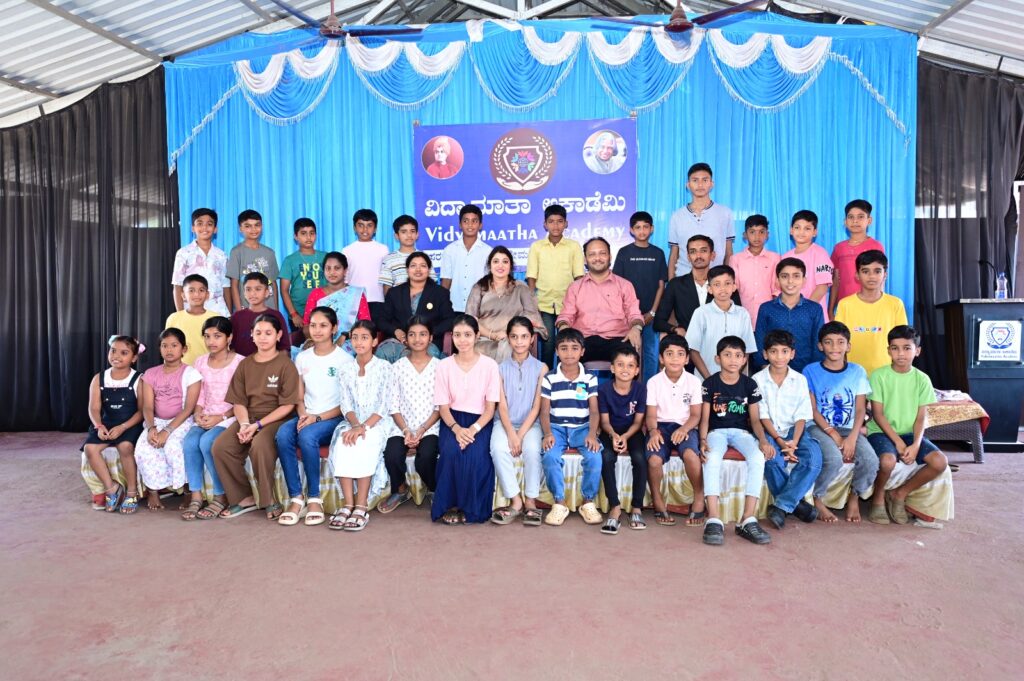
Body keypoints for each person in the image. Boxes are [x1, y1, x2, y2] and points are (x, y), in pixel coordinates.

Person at [212, 314, 300, 519]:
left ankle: (270, 500)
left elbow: (288, 405)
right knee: (221, 447)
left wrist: (258, 425)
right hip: (248, 418)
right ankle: (244, 498)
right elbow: (238, 401)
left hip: (277, 419)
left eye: (268, 333)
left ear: (279, 335)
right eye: (258, 332)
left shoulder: (286, 364)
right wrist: (244, 424)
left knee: (260, 445)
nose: (263, 337)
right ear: (251, 334)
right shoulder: (245, 364)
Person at [275, 307, 352, 527]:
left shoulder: (345, 360)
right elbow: (299, 396)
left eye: (323, 325)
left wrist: (316, 418)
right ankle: (296, 498)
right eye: (313, 325)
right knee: (283, 434)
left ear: (334, 328)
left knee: (307, 436)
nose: (317, 330)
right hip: (306, 415)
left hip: (333, 418)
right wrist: (303, 415)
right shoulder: (302, 357)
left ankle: (315, 499)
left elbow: (345, 404)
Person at [866, 326, 947, 525]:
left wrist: (916, 444)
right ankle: (878, 497)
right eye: (895, 348)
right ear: (888, 350)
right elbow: (878, 415)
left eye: (907, 348)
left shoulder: (922, 379)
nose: (900, 353)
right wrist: (898, 442)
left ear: (917, 351)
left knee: (940, 462)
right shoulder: (879, 376)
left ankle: (899, 494)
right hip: (881, 432)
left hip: (910, 433)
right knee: (887, 461)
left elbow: (921, 418)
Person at [699, 336, 772, 546]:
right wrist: (702, 440)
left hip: (742, 432)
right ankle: (714, 518)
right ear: (717, 358)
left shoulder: (749, 384)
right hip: (716, 432)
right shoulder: (710, 383)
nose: (733, 360)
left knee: (757, 458)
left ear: (744, 359)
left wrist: (763, 440)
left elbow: (755, 420)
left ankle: (747, 519)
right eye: (727, 355)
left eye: (738, 355)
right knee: (712, 457)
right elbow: (704, 419)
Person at [803, 321, 879, 523]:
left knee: (870, 460)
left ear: (848, 346)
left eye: (840, 342)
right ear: (820, 346)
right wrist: (832, 433)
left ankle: (854, 496)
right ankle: (817, 498)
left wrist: (852, 437)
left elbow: (861, 409)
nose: (834, 347)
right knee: (833, 459)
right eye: (828, 342)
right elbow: (812, 409)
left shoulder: (857, 371)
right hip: (818, 426)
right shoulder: (810, 371)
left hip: (849, 428)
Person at [432, 315, 502, 525]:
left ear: (477, 336)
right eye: (457, 335)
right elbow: (443, 406)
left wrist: (472, 429)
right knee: (451, 452)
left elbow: (490, 408)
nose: (462, 340)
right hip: (452, 420)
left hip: (480, 422)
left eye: (467, 335)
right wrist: (456, 429)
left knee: (476, 456)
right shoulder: (444, 366)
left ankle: (472, 507)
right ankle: (450, 505)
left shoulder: (490, 366)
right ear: (451, 337)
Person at [752, 330, 823, 530]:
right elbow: (762, 415)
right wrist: (778, 440)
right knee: (771, 459)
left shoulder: (799, 379)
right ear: (765, 354)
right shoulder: (757, 380)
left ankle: (782, 506)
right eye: (773, 351)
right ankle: (797, 505)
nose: (779, 357)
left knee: (814, 458)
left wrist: (794, 442)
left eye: (784, 351)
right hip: (769, 430)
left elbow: (802, 415)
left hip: (794, 431)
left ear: (792, 354)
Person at [327, 320, 392, 532]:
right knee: (344, 441)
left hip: (378, 422)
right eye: (355, 337)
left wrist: (363, 427)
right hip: (353, 421)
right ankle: (348, 504)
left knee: (364, 441)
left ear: (374, 341)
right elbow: (345, 404)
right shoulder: (346, 369)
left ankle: (361, 506)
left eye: (364, 337)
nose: (359, 342)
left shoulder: (384, 368)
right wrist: (355, 425)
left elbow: (384, 405)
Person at [181, 317, 244, 521]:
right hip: (205, 415)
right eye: (207, 336)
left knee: (208, 442)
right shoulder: (200, 362)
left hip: (229, 416)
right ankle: (196, 495)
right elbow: (199, 393)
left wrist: (221, 417)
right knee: (190, 442)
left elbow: (242, 400)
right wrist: (197, 413)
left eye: (217, 336)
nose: (211, 341)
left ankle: (220, 495)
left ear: (229, 338)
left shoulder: (240, 362)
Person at [540, 328, 604, 527]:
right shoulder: (550, 378)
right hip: (557, 428)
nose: (569, 353)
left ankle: (588, 501)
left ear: (582, 351)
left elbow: (594, 411)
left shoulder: (589, 378)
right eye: (564, 348)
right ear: (556, 351)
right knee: (550, 456)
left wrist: (592, 434)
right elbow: (544, 411)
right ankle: (559, 502)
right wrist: (548, 433)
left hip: (582, 427)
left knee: (594, 456)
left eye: (574, 348)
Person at [378, 316, 441, 514]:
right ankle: (400, 489)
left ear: (431, 337)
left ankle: (434, 489)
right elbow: (393, 405)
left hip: (430, 426)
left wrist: (421, 430)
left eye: (423, 334)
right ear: (405, 338)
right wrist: (406, 430)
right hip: (401, 426)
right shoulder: (397, 367)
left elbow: (440, 407)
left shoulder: (440, 367)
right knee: (392, 455)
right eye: (412, 334)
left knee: (426, 457)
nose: (417, 339)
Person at [134, 328, 202, 511]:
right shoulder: (150, 374)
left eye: (174, 345)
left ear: (184, 349)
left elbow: (188, 408)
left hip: (181, 422)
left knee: (174, 447)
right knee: (143, 449)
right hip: (156, 421)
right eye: (164, 346)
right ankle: (153, 491)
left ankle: (187, 491)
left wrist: (167, 431)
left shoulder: (191, 374)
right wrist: (151, 428)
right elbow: (148, 407)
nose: (169, 350)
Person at [489, 317, 548, 526]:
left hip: (531, 424)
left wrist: (520, 435)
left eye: (524, 337)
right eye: (514, 337)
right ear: (508, 338)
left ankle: (530, 500)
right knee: (498, 449)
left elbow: (536, 407)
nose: (519, 342)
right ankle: (515, 500)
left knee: (532, 449)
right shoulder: (499, 368)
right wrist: (511, 434)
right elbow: (502, 406)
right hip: (504, 423)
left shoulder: (541, 368)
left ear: (532, 339)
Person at [644, 335, 704, 527]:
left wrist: (684, 429)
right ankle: (657, 499)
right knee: (654, 460)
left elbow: (696, 415)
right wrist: (653, 431)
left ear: (687, 359)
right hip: (660, 427)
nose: (675, 359)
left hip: (686, 426)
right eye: (669, 354)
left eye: (680, 354)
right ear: (661, 358)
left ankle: (699, 496)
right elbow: (651, 415)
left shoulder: (694, 381)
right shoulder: (654, 382)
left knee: (691, 455)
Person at [81, 335, 144, 514]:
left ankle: (131, 491)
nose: (116, 356)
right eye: (113, 351)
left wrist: (123, 427)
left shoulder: (139, 379)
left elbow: (142, 411)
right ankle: (111, 489)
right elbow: (94, 408)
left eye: (124, 353)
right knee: (90, 449)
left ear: (134, 358)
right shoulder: (99, 378)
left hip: (130, 424)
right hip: (106, 423)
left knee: (125, 446)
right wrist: (99, 426)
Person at [556, 237, 644, 363]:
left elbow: (634, 314)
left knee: (628, 360)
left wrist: (636, 327)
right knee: (568, 354)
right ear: (585, 259)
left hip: (618, 339)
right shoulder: (575, 287)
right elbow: (566, 315)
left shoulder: (625, 285)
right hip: (583, 340)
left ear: (610, 256)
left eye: (602, 253)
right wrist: (564, 326)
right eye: (592, 254)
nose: (597, 258)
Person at [594, 346, 647, 534]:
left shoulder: (641, 389)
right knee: (607, 457)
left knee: (640, 458)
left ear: (637, 370)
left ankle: (637, 507)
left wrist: (625, 436)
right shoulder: (604, 390)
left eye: (630, 365)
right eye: (620, 364)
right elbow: (604, 422)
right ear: (612, 368)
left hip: (632, 431)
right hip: (610, 431)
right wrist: (614, 435)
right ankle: (615, 507)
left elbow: (638, 422)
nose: (625, 369)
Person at [465, 246, 547, 363]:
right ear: (490, 266)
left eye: (505, 262)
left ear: (511, 266)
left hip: (512, 339)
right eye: (496, 261)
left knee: (510, 347)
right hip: (483, 338)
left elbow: (531, 316)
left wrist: (511, 333)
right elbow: (470, 320)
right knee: (472, 349)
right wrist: (492, 335)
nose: (500, 265)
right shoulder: (479, 287)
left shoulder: (521, 288)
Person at [613, 211, 668, 383]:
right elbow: (617, 285)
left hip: (651, 315)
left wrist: (652, 312)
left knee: (651, 353)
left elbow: (661, 286)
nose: (642, 231)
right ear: (631, 230)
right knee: (628, 354)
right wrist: (627, 313)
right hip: (628, 315)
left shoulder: (658, 253)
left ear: (652, 229)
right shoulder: (624, 252)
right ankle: (629, 389)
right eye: (638, 227)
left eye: (645, 227)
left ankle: (649, 390)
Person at [526, 204, 585, 364]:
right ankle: (546, 375)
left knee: (566, 344)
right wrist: (532, 304)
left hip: (568, 305)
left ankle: (564, 375)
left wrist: (579, 302)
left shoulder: (573, 246)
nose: (555, 225)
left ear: (566, 223)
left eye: (560, 221)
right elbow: (531, 277)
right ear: (545, 224)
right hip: (544, 304)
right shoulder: (537, 247)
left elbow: (579, 277)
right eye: (551, 221)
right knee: (548, 344)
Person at [834, 250, 907, 376]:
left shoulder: (895, 304)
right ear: (857, 275)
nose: (871, 276)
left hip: (886, 374)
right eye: (865, 271)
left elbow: (903, 340)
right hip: (852, 374)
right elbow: (838, 341)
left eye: (877, 271)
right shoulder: (845, 304)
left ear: (885, 275)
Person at [654, 235, 740, 341]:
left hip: (721, 344)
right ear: (688, 257)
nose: (698, 256)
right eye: (693, 251)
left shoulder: (725, 284)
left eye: (703, 251)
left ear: (712, 255)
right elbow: (658, 322)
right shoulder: (676, 285)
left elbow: (738, 316)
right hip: (688, 344)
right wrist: (675, 329)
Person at [377, 251, 454, 363]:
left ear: (428, 270)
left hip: (427, 342)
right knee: (385, 352)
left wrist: (429, 333)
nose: (418, 270)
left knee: (428, 354)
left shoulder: (440, 293)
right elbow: (381, 320)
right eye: (413, 266)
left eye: (423, 266)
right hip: (399, 340)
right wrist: (396, 331)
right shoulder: (394, 293)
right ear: (407, 270)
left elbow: (450, 320)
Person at [753, 258, 824, 372]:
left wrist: (813, 371)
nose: (790, 281)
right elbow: (760, 340)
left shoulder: (814, 309)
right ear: (777, 280)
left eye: (796, 276)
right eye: (784, 276)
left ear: (804, 280)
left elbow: (818, 342)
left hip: (806, 371)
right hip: (773, 370)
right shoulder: (766, 308)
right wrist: (765, 369)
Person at [685, 265, 756, 379]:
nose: (723, 289)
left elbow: (747, 349)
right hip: (705, 379)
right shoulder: (701, 313)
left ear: (734, 286)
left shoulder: (743, 314)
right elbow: (693, 349)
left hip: (734, 380)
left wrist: (733, 375)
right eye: (717, 284)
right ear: (709, 289)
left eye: (727, 283)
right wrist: (709, 379)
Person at [667, 163, 734, 277]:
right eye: (695, 180)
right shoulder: (677, 216)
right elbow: (674, 255)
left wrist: (726, 280)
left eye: (705, 180)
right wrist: (671, 284)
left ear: (711, 184)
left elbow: (728, 253)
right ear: (688, 185)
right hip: (684, 279)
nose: (700, 184)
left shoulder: (725, 213)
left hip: (715, 281)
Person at [301, 252, 371, 346]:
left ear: (345, 271)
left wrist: (345, 336)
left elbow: (366, 325)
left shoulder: (356, 294)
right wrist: (312, 341)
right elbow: (306, 325)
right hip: (319, 343)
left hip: (349, 343)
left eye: (337, 268)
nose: (332, 272)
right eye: (328, 268)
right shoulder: (315, 294)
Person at [830, 199, 885, 317]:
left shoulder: (876, 246)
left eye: (860, 217)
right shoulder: (839, 248)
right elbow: (835, 281)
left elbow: (880, 280)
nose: (855, 221)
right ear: (845, 221)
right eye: (851, 217)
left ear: (869, 220)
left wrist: (879, 306)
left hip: (870, 306)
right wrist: (830, 310)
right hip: (844, 307)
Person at [172, 207, 230, 316]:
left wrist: (229, 314)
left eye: (209, 224)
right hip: (191, 312)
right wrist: (181, 316)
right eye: (199, 223)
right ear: (193, 228)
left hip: (218, 312)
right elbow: (177, 286)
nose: (204, 227)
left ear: (215, 229)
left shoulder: (221, 255)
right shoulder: (183, 253)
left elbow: (226, 286)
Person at [280, 217, 326, 346]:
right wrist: (293, 314)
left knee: (324, 346)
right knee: (302, 348)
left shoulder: (326, 257)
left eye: (312, 233)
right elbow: (284, 290)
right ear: (296, 236)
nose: (308, 237)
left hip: (323, 312)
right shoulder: (290, 260)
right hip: (299, 314)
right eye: (303, 233)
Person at [782, 210, 834, 321]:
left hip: (813, 316)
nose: (801, 232)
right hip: (790, 315)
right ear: (791, 230)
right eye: (797, 227)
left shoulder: (820, 253)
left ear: (815, 232)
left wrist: (804, 310)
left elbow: (822, 287)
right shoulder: (785, 257)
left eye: (807, 228)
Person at [730, 214, 780, 329]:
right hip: (742, 315)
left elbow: (777, 289)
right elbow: (733, 288)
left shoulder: (775, 258)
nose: (757, 236)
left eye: (761, 232)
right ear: (745, 235)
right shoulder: (735, 259)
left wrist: (774, 312)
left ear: (767, 235)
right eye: (752, 232)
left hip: (768, 316)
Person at [440, 204, 491, 313]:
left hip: (480, 308)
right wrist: (442, 306)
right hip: (454, 307)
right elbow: (446, 281)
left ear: (480, 225)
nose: (470, 225)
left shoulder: (488, 252)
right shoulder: (449, 250)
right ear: (460, 225)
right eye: (465, 221)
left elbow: (490, 282)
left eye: (474, 221)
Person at [342, 209, 390, 319]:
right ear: (354, 228)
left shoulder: (383, 249)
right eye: (360, 225)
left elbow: (387, 278)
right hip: (354, 301)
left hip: (378, 300)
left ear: (375, 228)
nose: (365, 229)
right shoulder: (347, 250)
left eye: (369, 225)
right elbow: (345, 279)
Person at [227, 209, 279, 311]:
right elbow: (234, 285)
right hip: (247, 308)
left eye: (257, 225)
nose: (253, 229)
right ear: (240, 228)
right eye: (248, 226)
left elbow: (273, 283)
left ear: (262, 226)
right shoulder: (236, 252)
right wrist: (239, 311)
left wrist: (276, 310)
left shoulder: (269, 252)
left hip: (268, 308)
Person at [230, 272, 290, 356]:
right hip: (243, 363)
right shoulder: (237, 317)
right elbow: (231, 348)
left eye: (258, 289)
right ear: (244, 293)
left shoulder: (276, 316)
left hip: (270, 363)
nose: (252, 293)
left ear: (267, 292)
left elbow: (285, 349)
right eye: (248, 289)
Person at [166, 274, 216, 365]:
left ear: (207, 295)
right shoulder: (174, 318)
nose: (196, 294)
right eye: (191, 290)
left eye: (201, 290)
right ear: (183, 295)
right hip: (181, 369)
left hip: (209, 368)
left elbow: (222, 348)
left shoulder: (216, 318)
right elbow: (167, 346)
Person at [379, 215, 420, 296]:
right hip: (398, 302)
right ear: (396, 236)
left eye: (412, 231)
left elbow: (432, 284)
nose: (409, 235)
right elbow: (387, 290)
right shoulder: (389, 259)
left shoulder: (425, 257)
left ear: (417, 234)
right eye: (404, 232)